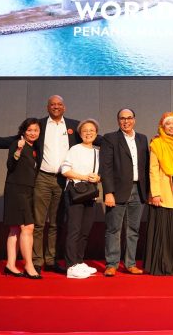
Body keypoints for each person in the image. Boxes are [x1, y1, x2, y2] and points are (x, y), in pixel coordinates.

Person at [0, 95, 82, 274]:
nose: (56, 107)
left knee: (56, 223)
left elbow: (91, 136)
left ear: (64, 107)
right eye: (52, 104)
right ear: (47, 107)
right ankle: (36, 261)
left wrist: (111, 142)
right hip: (42, 178)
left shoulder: (74, 125)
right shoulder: (39, 125)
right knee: (38, 223)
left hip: (63, 180)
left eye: (59, 104)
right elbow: (15, 139)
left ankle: (51, 260)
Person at [99, 108, 150, 277]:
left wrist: (148, 191)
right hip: (117, 191)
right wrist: (108, 192)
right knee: (113, 229)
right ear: (118, 121)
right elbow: (106, 167)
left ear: (134, 120)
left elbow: (146, 166)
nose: (126, 121)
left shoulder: (142, 139)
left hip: (138, 190)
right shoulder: (110, 138)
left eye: (129, 118)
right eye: (122, 118)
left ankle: (130, 264)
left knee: (133, 229)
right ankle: (111, 264)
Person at [144, 112, 173, 275]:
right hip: (163, 190)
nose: (171, 127)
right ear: (162, 126)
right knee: (163, 227)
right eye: (168, 124)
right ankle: (163, 265)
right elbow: (153, 170)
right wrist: (155, 193)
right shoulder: (157, 143)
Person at [60, 119, 101, 279]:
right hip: (75, 194)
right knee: (74, 230)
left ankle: (79, 261)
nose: (88, 133)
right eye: (85, 130)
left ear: (96, 133)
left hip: (90, 195)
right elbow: (65, 170)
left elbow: (101, 174)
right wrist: (84, 177)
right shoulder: (75, 149)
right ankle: (70, 266)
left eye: (92, 130)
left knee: (85, 230)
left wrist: (98, 178)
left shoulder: (98, 152)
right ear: (80, 134)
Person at [2, 118, 42, 279]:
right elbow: (10, 166)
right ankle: (29, 265)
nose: (33, 133)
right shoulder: (17, 144)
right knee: (28, 227)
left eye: (36, 130)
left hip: (28, 190)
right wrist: (18, 150)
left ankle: (10, 265)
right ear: (24, 131)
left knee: (15, 229)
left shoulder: (35, 148)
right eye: (29, 130)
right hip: (16, 189)